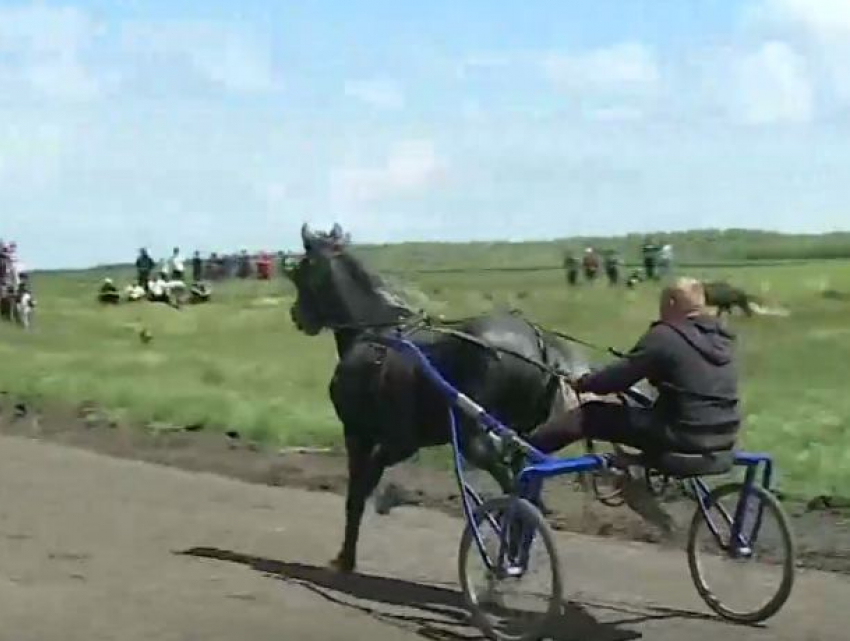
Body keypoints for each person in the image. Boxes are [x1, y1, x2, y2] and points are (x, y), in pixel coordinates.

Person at [519, 277, 740, 528]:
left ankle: (525, 451)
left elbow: (616, 380)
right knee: (642, 413)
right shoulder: (723, 337)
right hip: (724, 437)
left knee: (589, 415)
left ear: (670, 302)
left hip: (682, 438)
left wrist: (583, 383)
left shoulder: (664, 335)